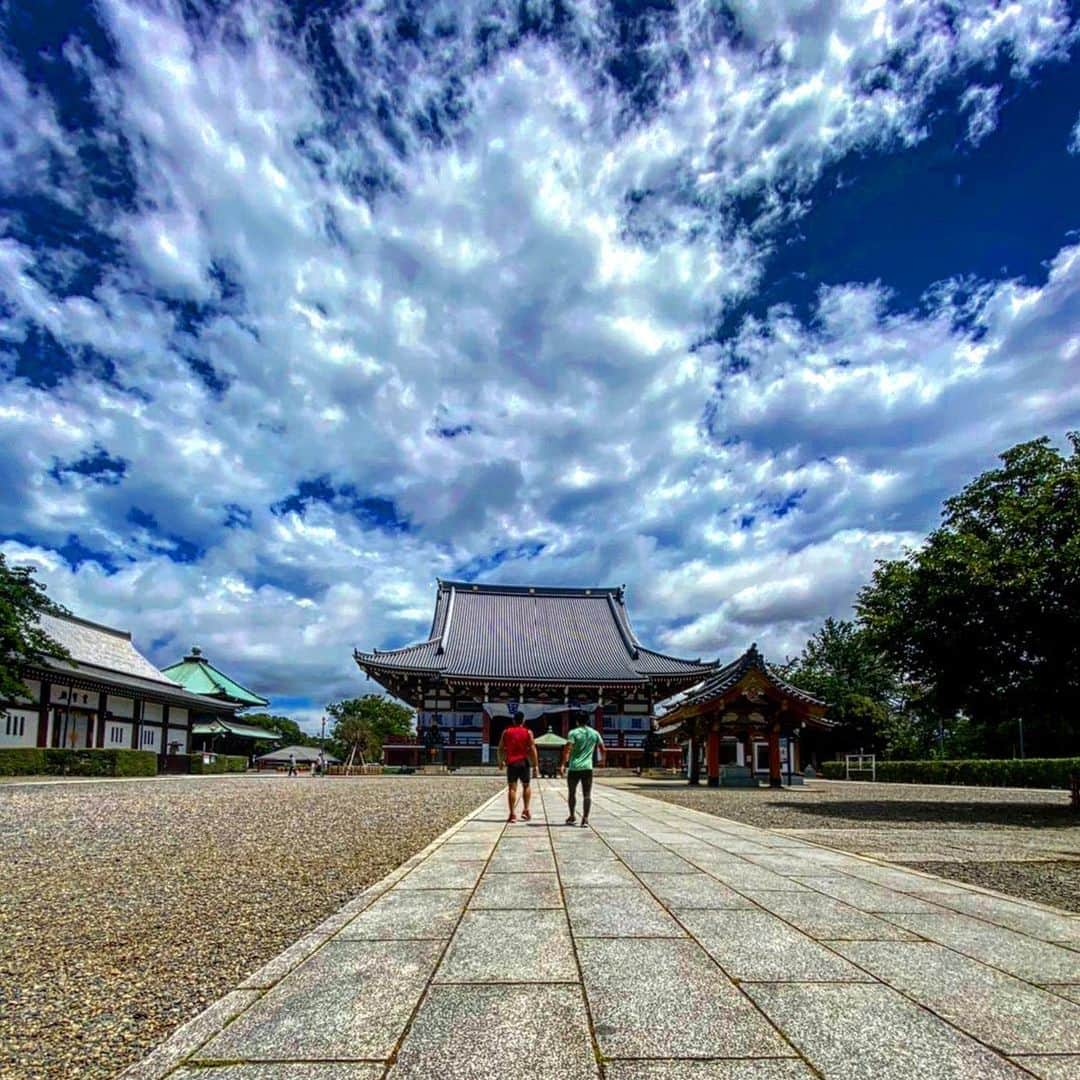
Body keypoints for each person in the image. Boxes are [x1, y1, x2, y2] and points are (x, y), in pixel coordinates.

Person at [561, 710, 605, 827]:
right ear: (588, 721)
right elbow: (602, 748)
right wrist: (602, 760)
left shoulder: (573, 733)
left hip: (574, 767)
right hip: (587, 767)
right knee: (587, 794)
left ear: (576, 721)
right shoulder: (595, 733)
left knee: (572, 793)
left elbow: (568, 749)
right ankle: (585, 818)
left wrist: (563, 764)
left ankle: (572, 815)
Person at [497, 711, 539, 823]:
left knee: (512, 788)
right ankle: (525, 809)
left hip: (511, 762)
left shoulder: (506, 732)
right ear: (523, 720)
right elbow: (532, 749)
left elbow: (500, 748)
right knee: (526, 786)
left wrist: (500, 761)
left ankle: (512, 814)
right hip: (524, 762)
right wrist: (535, 765)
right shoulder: (528, 732)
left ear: (513, 720)